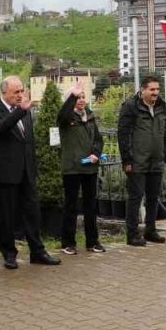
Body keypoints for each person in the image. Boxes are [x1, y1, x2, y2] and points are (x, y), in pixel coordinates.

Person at [0, 76, 61, 269]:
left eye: (21, 91)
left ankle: (37, 252)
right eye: (15, 92)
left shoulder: (24, 112)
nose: (19, 95)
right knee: (7, 216)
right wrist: (20, 111)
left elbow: (28, 142)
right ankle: (9, 254)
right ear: (4, 93)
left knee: (32, 213)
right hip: (6, 174)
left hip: (27, 172)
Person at [117, 75, 166, 246]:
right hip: (137, 160)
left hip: (156, 160)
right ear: (143, 89)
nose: (156, 93)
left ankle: (150, 230)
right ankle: (132, 234)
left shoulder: (162, 106)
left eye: (157, 89)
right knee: (135, 197)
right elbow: (123, 135)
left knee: (153, 197)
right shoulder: (130, 106)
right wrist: (127, 160)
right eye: (152, 89)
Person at [57, 81, 105, 255]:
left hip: (89, 168)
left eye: (83, 96)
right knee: (71, 206)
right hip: (72, 168)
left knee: (91, 206)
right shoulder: (67, 118)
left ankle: (92, 242)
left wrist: (96, 154)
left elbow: (98, 140)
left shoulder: (90, 116)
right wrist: (72, 95)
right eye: (77, 97)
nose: (81, 100)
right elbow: (62, 115)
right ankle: (68, 243)